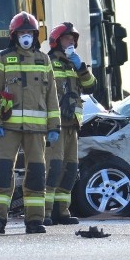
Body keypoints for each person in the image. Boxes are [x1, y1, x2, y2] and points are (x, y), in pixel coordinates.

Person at [0, 12, 60, 234]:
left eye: (29, 33)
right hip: (7, 128)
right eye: (21, 33)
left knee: (36, 174)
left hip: (37, 130)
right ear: (13, 35)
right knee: (2, 172)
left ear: (35, 35)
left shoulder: (44, 60)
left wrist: (54, 126)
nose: (25, 36)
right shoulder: (3, 58)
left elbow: (51, 97)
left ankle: (35, 220)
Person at [43, 22, 96, 226]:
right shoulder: (47, 61)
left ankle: (62, 211)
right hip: (54, 125)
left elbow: (91, 87)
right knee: (53, 168)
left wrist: (81, 67)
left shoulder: (76, 64)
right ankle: (46, 213)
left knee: (70, 169)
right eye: (67, 38)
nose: (72, 41)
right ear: (57, 41)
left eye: (73, 39)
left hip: (72, 125)